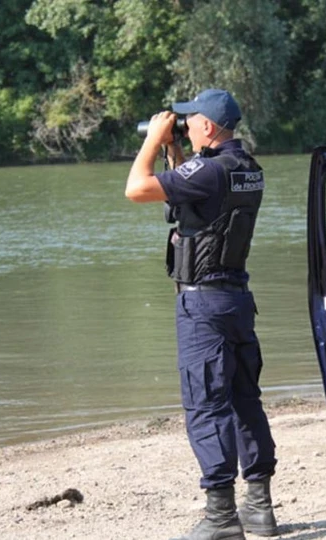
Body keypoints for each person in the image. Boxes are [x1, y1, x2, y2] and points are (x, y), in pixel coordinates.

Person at [124, 89, 278, 540]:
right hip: (236, 301)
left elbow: (137, 188)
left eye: (191, 120)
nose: (184, 125)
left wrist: (152, 141)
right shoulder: (247, 169)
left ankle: (221, 517)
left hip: (203, 307)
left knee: (206, 405)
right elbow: (192, 206)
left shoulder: (209, 171)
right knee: (244, 400)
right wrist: (178, 152)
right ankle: (259, 508)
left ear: (209, 127)